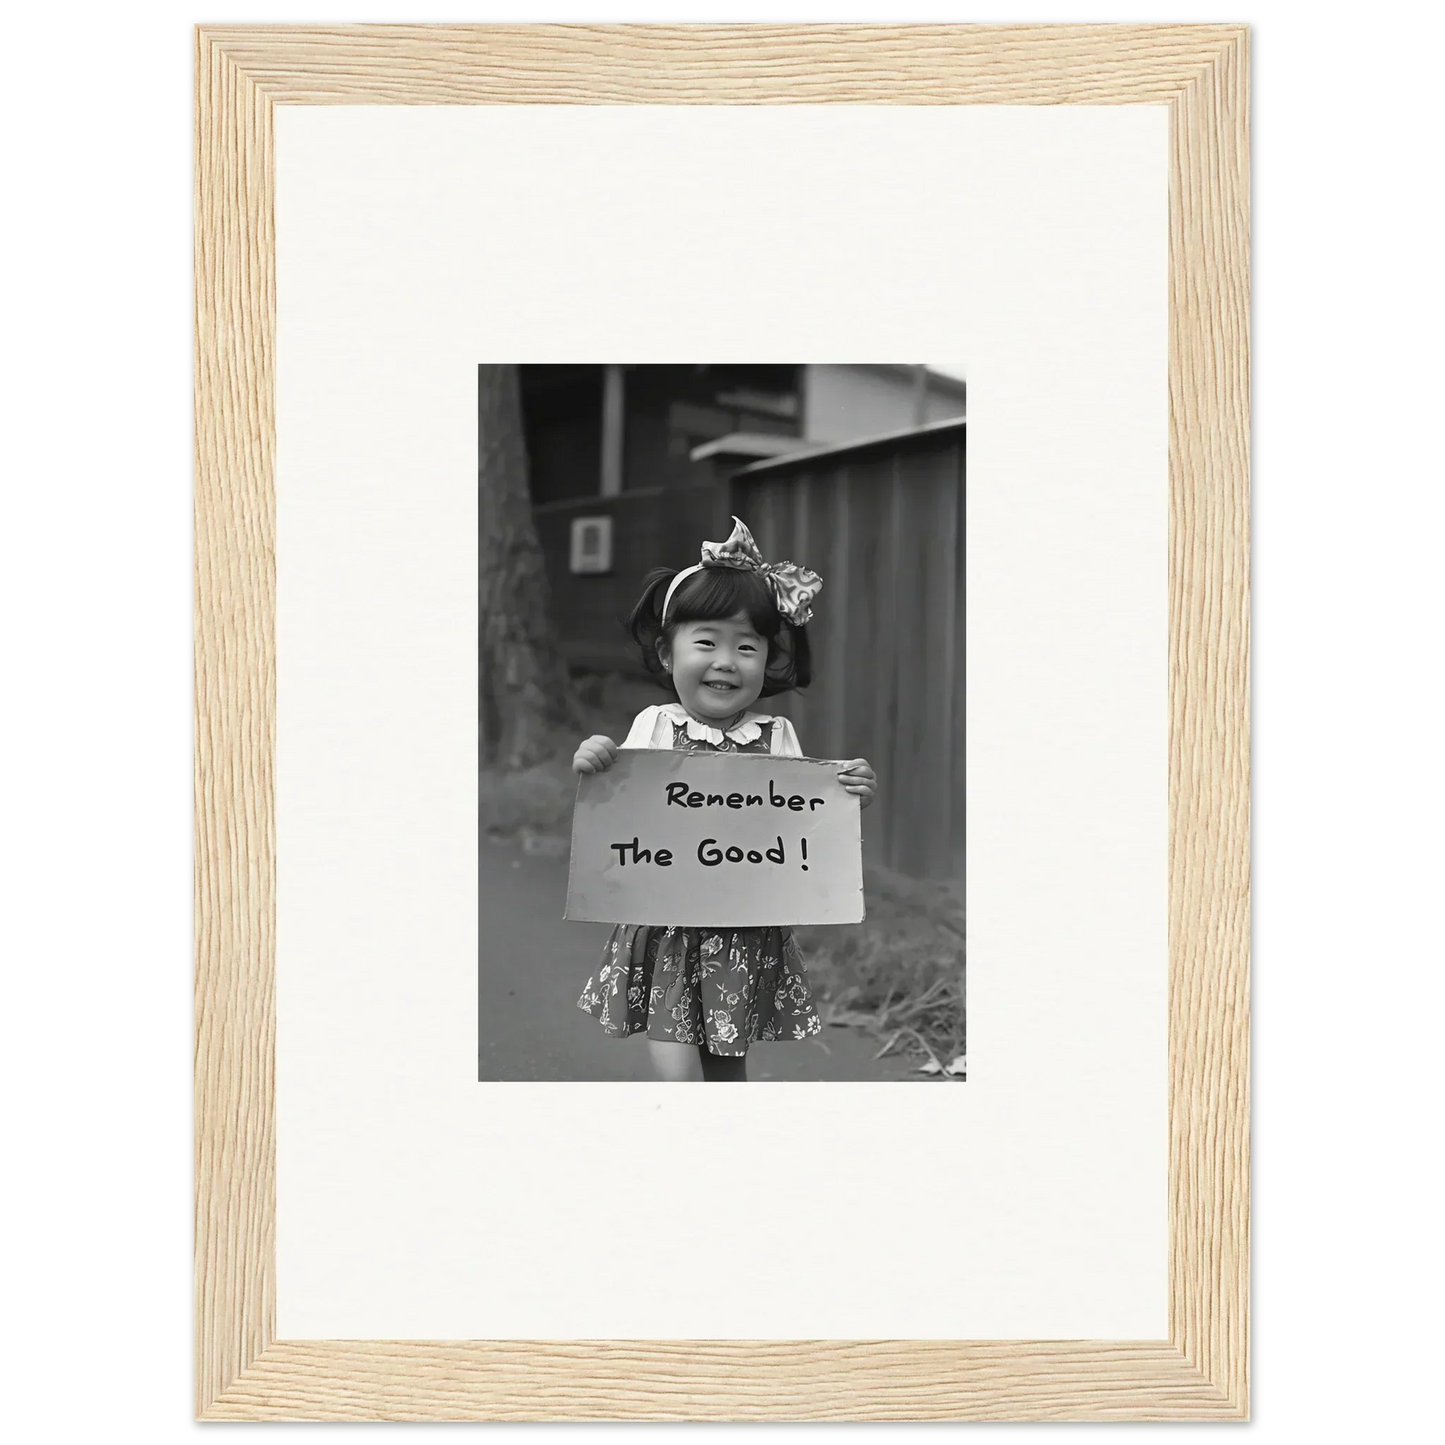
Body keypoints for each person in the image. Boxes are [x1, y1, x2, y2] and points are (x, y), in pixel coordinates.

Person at [572, 517, 877, 1082]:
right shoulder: (654, 725)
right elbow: (620, 797)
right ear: (668, 655)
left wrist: (848, 796)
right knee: (678, 1062)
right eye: (706, 642)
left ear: (767, 658)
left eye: (747, 646)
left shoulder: (776, 737)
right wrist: (593, 758)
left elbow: (799, 822)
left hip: (743, 925)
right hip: (666, 922)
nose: (725, 660)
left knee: (727, 1058)